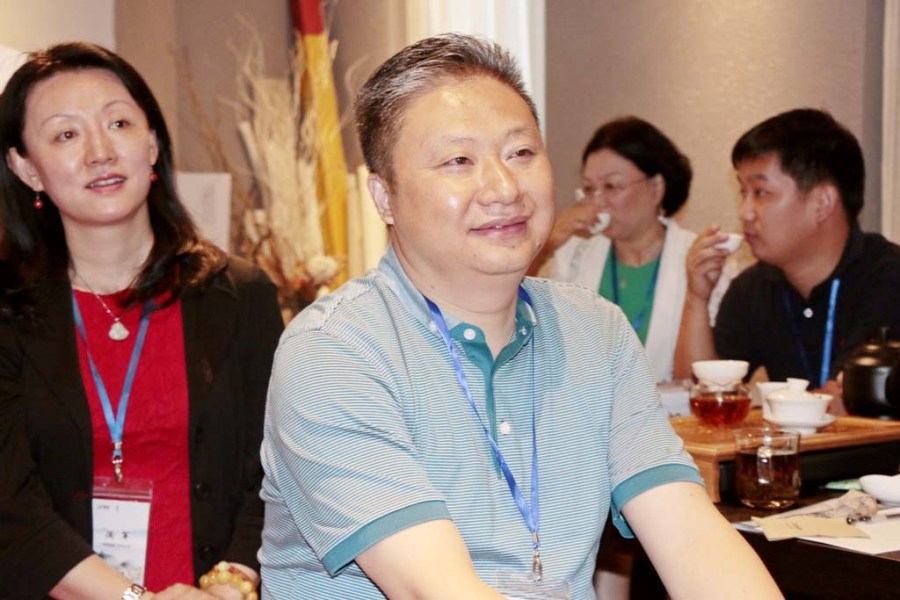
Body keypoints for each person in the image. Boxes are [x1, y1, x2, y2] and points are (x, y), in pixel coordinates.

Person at [258, 33, 780, 599]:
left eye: (521, 154)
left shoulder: (595, 332)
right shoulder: (336, 351)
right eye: (458, 161)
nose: (504, 188)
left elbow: (692, 537)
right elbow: (434, 590)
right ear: (385, 197)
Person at [0, 43, 283, 599]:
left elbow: (279, 471)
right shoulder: (7, 313)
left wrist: (230, 584)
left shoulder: (240, 297)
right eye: (66, 134)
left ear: (151, 142)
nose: (100, 152)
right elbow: (10, 509)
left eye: (119, 123)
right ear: (26, 168)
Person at [674, 108, 900, 407]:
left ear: (822, 203)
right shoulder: (753, 287)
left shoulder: (888, 278)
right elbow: (697, 396)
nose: (745, 213)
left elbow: (851, 403)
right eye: (743, 192)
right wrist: (697, 298)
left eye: (761, 192)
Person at [531, 117, 731, 382]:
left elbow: (710, 377)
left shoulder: (700, 259)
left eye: (612, 186)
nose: (597, 202)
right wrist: (546, 244)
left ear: (656, 188)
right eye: (589, 189)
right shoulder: (572, 255)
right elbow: (518, 315)